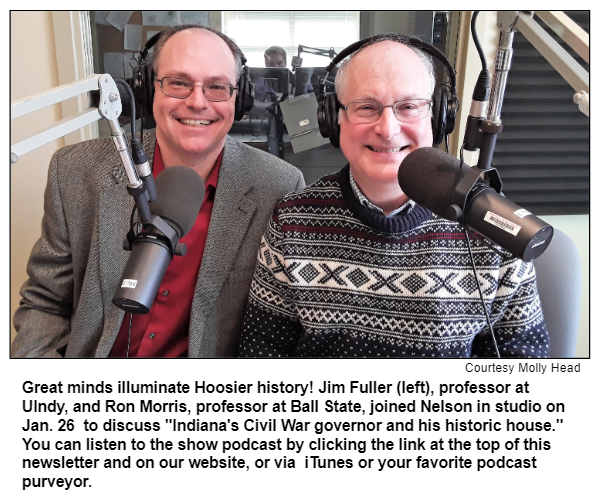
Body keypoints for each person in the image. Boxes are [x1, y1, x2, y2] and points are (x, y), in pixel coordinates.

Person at [238, 36, 549, 358]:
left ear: (439, 116)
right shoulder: (292, 220)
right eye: (366, 107)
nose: (387, 129)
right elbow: (262, 356)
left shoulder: (494, 224)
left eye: (409, 107)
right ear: (334, 119)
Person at [12, 25, 305, 358]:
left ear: (240, 99)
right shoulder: (77, 171)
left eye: (217, 87)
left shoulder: (278, 187)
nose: (197, 102)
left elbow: (277, 331)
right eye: (179, 83)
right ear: (148, 90)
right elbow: (45, 303)